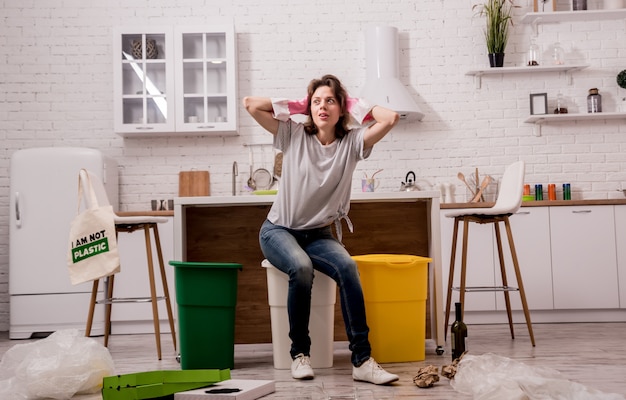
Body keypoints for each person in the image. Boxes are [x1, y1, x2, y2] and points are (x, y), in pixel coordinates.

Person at [243, 74, 400, 385]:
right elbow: (250, 105)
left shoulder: (352, 142)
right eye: (316, 102)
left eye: (330, 100)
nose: (322, 106)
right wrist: (297, 104)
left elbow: (390, 118)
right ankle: (300, 355)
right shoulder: (293, 134)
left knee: (349, 268)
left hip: (318, 234)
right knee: (301, 269)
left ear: (341, 108)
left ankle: (362, 360)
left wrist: (355, 104)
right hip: (278, 230)